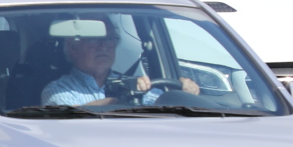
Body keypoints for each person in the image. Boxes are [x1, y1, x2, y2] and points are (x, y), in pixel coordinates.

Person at [41, 26, 199, 107]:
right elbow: (72, 116)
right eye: (94, 39)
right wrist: (121, 102)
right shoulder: (58, 89)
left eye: (110, 39)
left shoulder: (130, 83)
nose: (104, 46)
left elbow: (161, 103)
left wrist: (183, 94)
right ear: (73, 48)